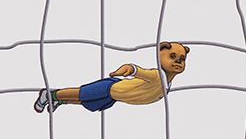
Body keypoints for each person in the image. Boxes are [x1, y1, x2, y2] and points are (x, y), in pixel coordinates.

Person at [34, 42, 189, 113]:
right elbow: (140, 72)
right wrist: (130, 69)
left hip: (114, 97)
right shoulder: (157, 76)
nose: (178, 61)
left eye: (182, 59)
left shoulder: (167, 85)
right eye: (172, 56)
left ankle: (60, 101)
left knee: (87, 103)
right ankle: (50, 95)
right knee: (80, 93)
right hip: (110, 88)